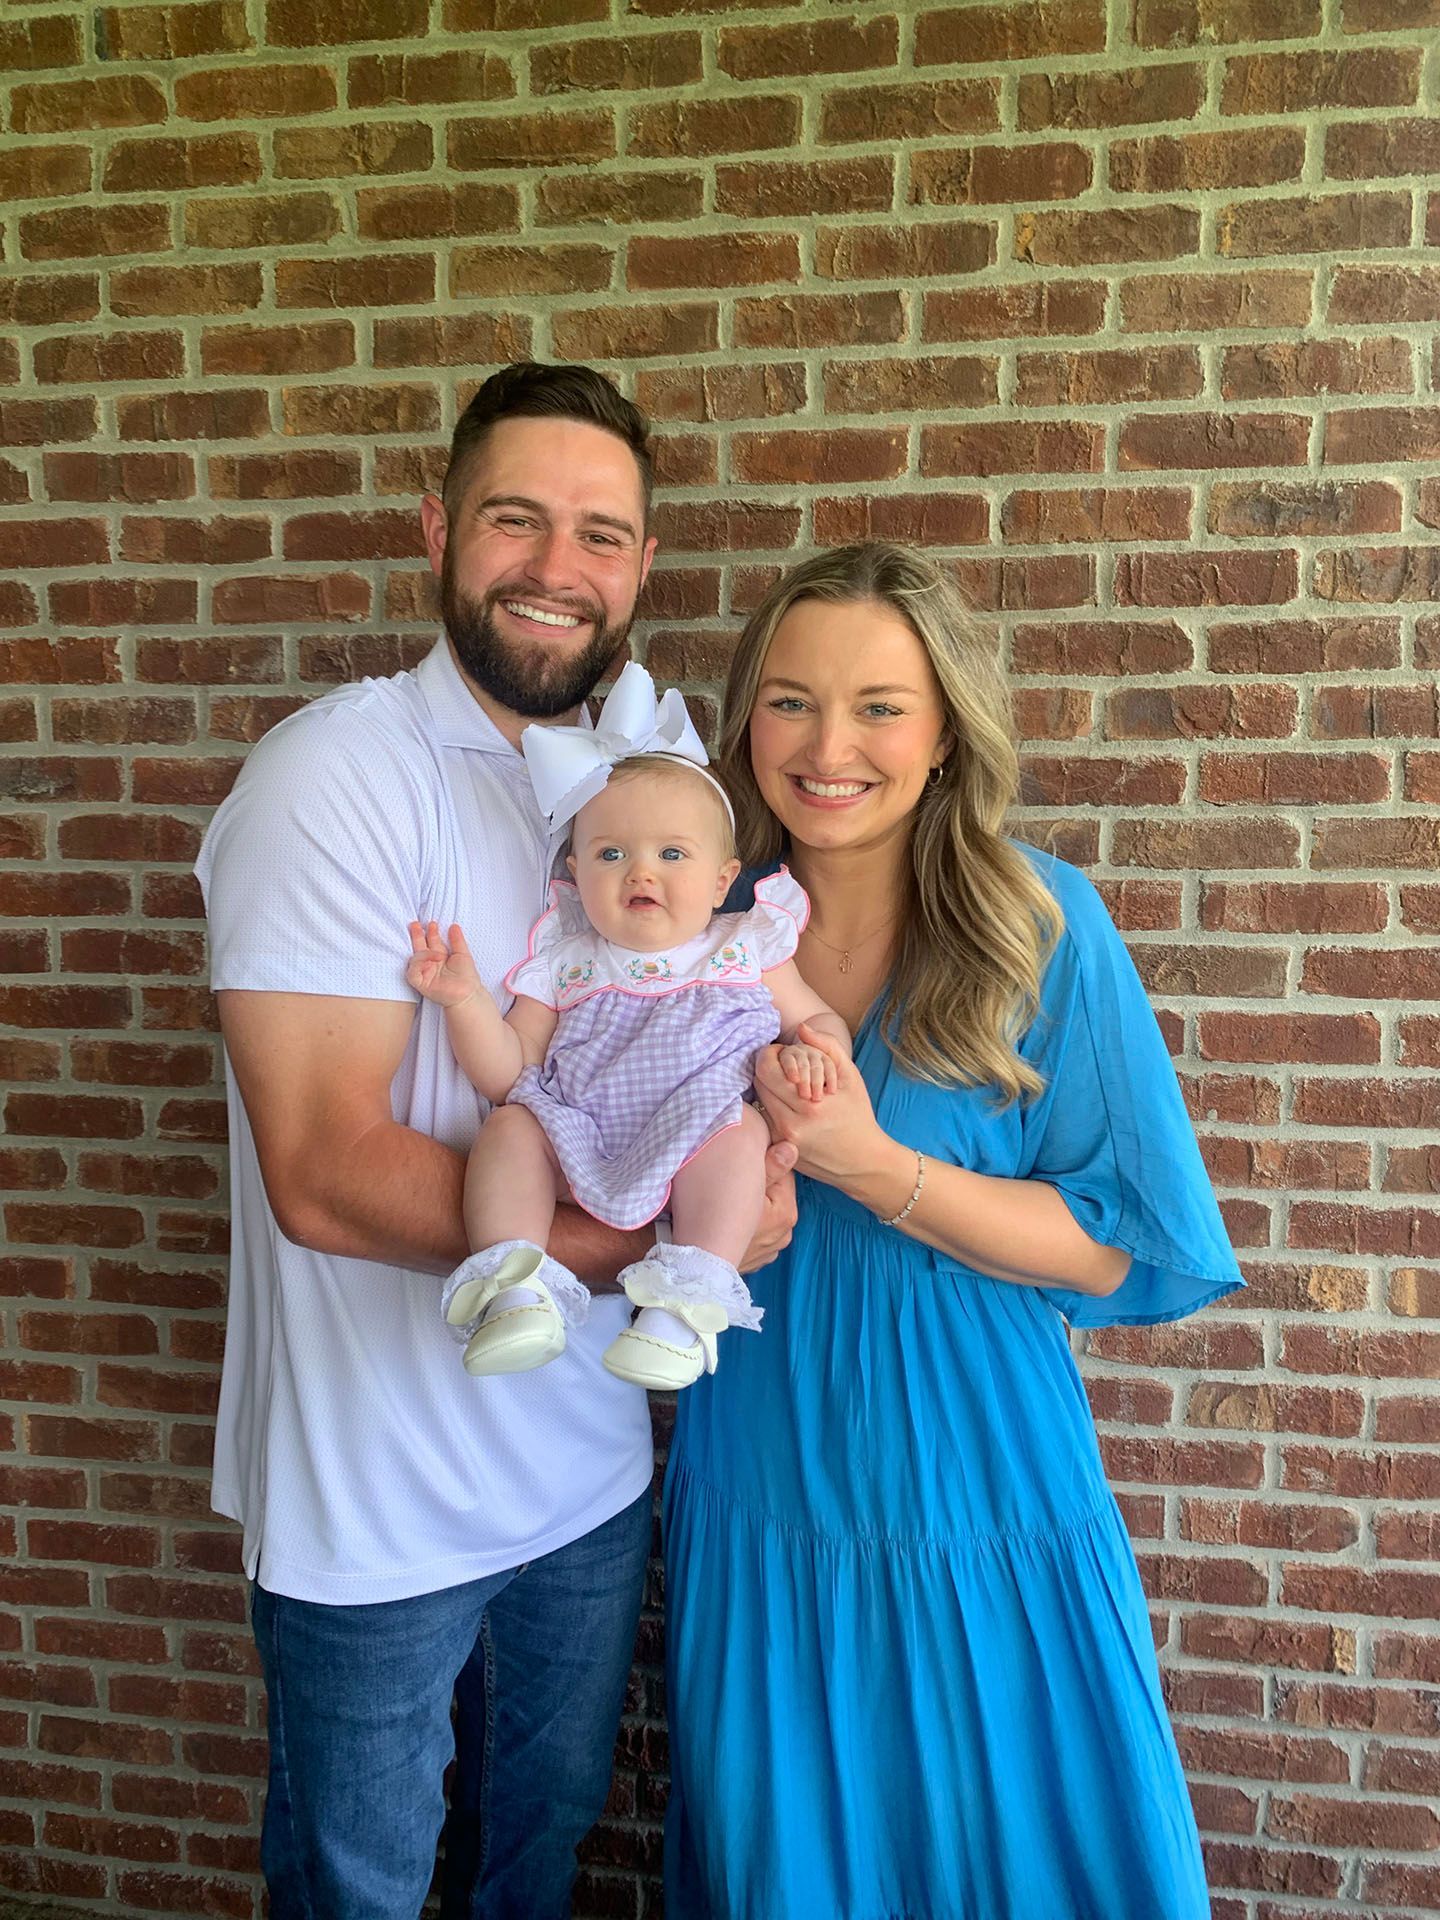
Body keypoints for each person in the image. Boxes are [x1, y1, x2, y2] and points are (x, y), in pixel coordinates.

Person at [194, 360, 796, 1920]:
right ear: (438, 527)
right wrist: (668, 1258)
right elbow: (324, 1174)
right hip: (374, 1504)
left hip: (585, 1480)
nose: (556, 567)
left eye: (601, 534)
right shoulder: (335, 775)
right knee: (365, 1889)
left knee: (532, 1861)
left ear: (643, 565)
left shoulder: (650, 789)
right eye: (515, 520)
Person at [661, 542, 1245, 1920]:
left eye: (879, 704)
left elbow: (1112, 1243)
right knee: (783, 1854)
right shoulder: (696, 927)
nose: (829, 745)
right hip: (764, 1462)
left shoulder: (1036, 925)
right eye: (792, 701)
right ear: (748, 723)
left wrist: (872, 1163)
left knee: (1026, 1858)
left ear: (941, 734)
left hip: (980, 1473)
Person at [404, 661, 847, 1391]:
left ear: (719, 879)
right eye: (612, 854)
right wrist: (463, 1003)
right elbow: (508, 1069)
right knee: (510, 1128)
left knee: (741, 1134)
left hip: (695, 1138)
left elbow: (815, 1018)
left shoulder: (744, 946)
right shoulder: (566, 963)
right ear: (576, 875)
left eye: (672, 854)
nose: (641, 872)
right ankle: (517, 1291)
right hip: (582, 1135)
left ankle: (680, 1311)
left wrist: (817, 1054)